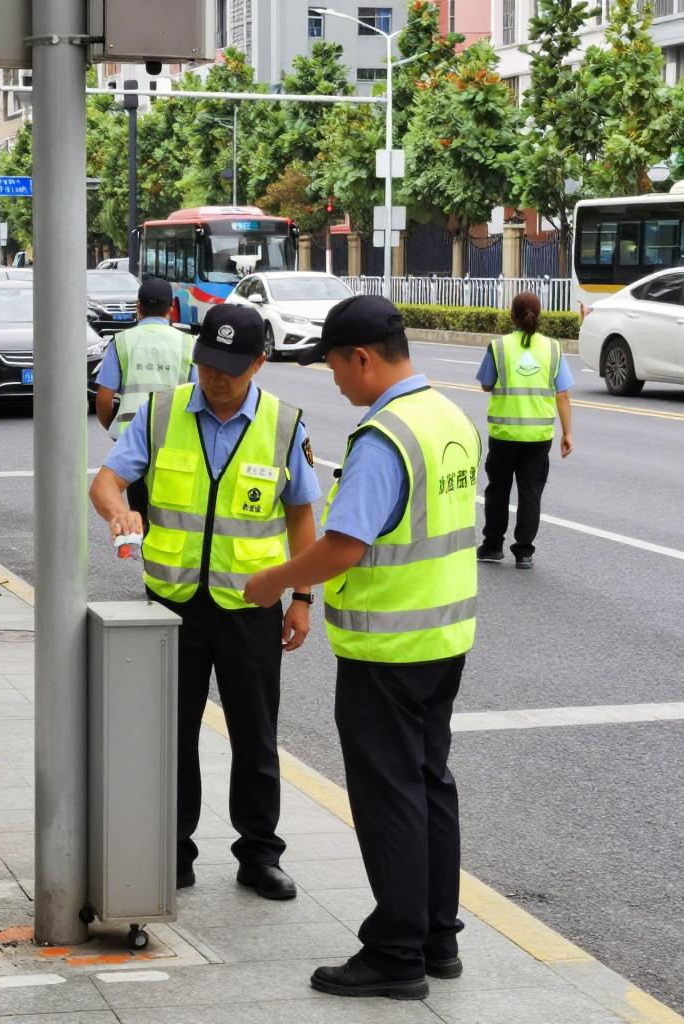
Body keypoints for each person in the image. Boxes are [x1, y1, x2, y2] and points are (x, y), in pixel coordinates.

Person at [243, 295, 481, 1001]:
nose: (336, 380)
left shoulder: (384, 437)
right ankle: (438, 938)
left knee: (389, 798)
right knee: (430, 784)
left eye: (335, 366)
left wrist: (276, 581)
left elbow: (344, 546)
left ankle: (396, 953)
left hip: (388, 648)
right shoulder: (449, 417)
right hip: (444, 638)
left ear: (363, 358)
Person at [89, 304, 321, 901]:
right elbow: (107, 481)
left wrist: (301, 597)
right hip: (171, 606)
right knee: (170, 734)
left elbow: (301, 516)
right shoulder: (161, 413)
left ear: (259, 363)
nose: (215, 378)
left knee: (256, 735)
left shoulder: (283, 423)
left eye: (229, 368)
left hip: (250, 607)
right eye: (207, 364)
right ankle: (173, 850)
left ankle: (259, 854)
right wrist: (119, 511)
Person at [476, 291, 573, 569]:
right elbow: (563, 396)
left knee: (498, 491)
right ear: (539, 315)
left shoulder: (499, 347)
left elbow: (486, 384)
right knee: (531, 493)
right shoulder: (553, 348)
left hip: (504, 435)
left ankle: (493, 546)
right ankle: (524, 552)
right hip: (538, 437)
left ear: (512, 316)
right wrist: (567, 433)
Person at [94, 278, 196, 523]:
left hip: (132, 439)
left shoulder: (122, 342)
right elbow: (197, 394)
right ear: (171, 307)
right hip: (174, 438)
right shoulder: (188, 343)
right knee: (173, 510)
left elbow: (104, 398)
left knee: (139, 510)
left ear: (137, 306)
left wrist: (114, 427)